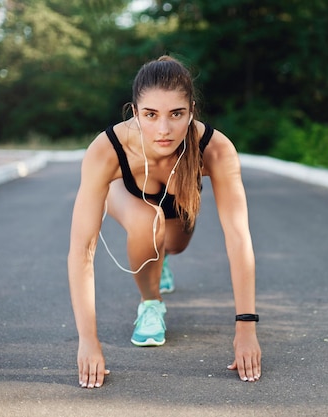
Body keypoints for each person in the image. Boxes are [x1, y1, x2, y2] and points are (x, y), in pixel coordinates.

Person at [67, 55, 261, 389]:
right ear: (135, 111)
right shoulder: (108, 148)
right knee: (148, 223)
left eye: (176, 114)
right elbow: (81, 250)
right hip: (126, 193)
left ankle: (161, 257)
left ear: (192, 110)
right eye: (151, 115)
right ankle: (151, 304)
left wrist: (246, 327)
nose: (163, 129)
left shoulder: (215, 149)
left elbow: (239, 238)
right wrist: (88, 340)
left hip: (179, 201)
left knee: (175, 244)